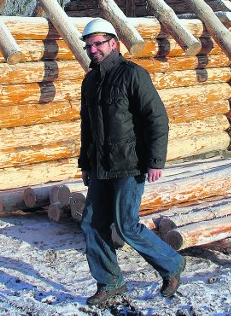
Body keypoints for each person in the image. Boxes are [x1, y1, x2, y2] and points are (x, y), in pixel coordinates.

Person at [78, 18, 186, 307]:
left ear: (113, 43)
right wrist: (85, 165)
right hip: (100, 165)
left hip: (130, 163)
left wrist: (155, 160)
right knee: (92, 224)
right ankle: (110, 282)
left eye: (98, 43)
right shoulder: (90, 81)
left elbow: (157, 118)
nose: (93, 49)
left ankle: (172, 264)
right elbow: (87, 126)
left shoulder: (133, 75)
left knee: (126, 225)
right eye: (88, 45)